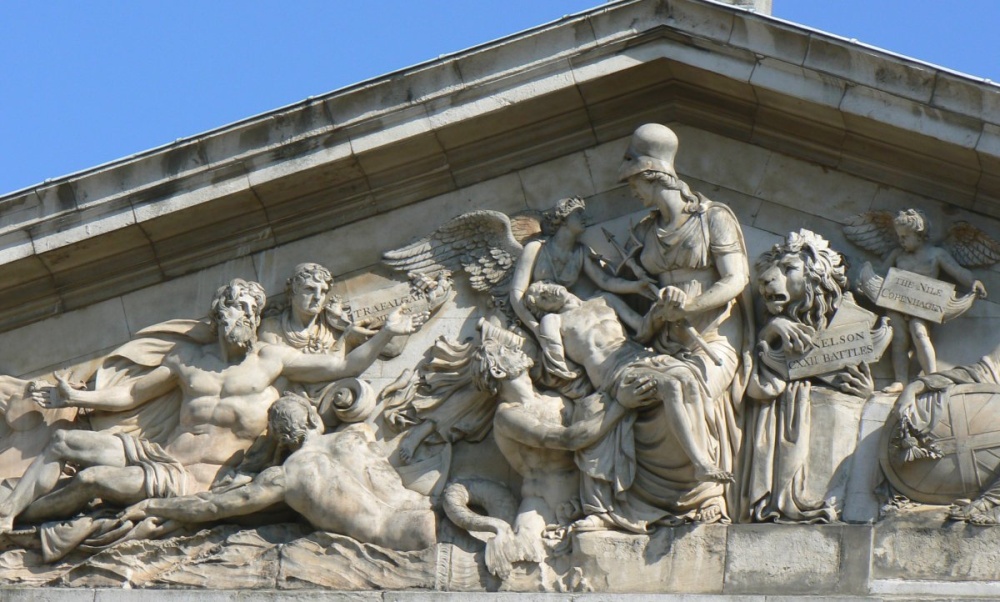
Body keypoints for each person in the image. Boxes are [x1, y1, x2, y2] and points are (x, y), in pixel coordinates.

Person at [0, 278, 426, 533]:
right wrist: (77, 397)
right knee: (62, 442)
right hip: (161, 456)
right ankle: (7, 515)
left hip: (190, 482)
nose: (249, 316)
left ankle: (27, 520)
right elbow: (131, 395)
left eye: (255, 310)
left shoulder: (270, 360)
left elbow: (344, 365)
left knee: (92, 480)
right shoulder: (186, 361)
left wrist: (386, 333)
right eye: (241, 307)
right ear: (220, 313)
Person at [118, 393, 437, 551]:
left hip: (400, 540)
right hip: (430, 514)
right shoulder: (358, 434)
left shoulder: (286, 476)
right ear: (312, 418)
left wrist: (152, 504)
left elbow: (213, 506)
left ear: (280, 439)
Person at [508, 196, 657, 379]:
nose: (584, 218)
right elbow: (517, 294)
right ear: (563, 218)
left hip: (574, 308)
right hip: (552, 317)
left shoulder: (580, 251)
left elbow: (604, 281)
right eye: (578, 214)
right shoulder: (536, 248)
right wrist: (536, 329)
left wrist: (636, 287)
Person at [879, 209, 987, 393]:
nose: (901, 240)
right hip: (897, 303)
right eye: (899, 236)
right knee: (899, 339)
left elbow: (957, 271)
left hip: (922, 305)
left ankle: (932, 378)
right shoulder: (898, 255)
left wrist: (973, 281)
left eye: (905, 237)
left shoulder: (936, 254)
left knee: (919, 332)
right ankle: (900, 381)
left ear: (919, 235)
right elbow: (880, 274)